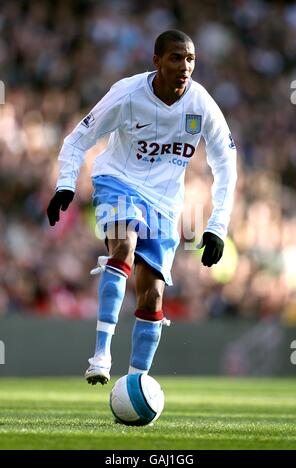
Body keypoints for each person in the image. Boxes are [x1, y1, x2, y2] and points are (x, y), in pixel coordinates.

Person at [47, 30, 237, 385]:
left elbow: (227, 164)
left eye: (190, 59)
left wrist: (217, 226)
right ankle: (101, 354)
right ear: (157, 61)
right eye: (176, 58)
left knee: (153, 294)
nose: (185, 66)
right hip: (117, 179)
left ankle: (135, 384)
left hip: (165, 202)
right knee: (125, 244)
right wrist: (66, 185)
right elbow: (77, 140)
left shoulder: (202, 105)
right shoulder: (127, 94)